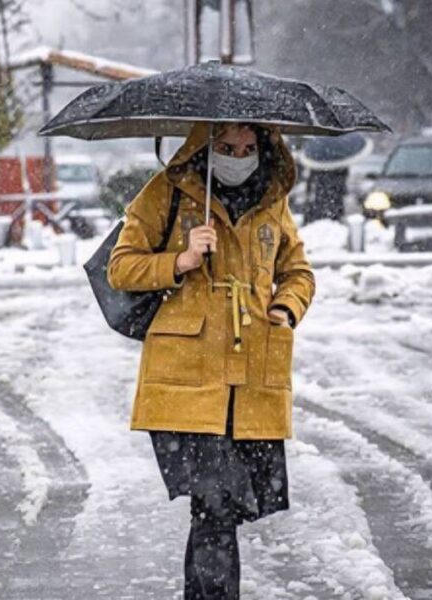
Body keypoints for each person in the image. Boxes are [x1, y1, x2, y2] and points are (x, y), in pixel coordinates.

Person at [106, 121, 316, 599]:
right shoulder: (168, 192)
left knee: (220, 510)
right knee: (216, 504)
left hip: (252, 381)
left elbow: (298, 273)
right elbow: (121, 268)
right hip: (186, 381)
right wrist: (180, 261)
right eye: (225, 147)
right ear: (205, 146)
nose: (238, 157)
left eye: (247, 148)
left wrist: (285, 309)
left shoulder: (272, 199)